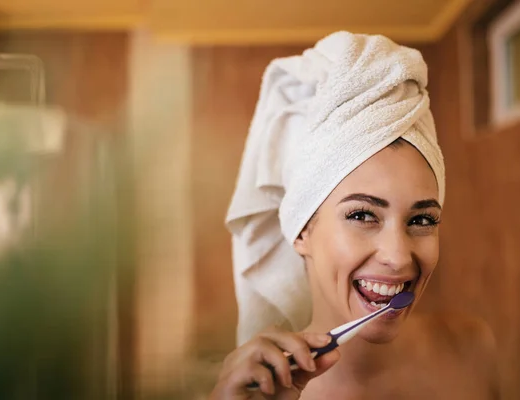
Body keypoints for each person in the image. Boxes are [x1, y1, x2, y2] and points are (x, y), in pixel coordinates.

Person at [211, 31, 499, 399]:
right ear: (301, 231)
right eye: (363, 215)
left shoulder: (472, 349)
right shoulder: (258, 394)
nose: (398, 258)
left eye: (422, 220)